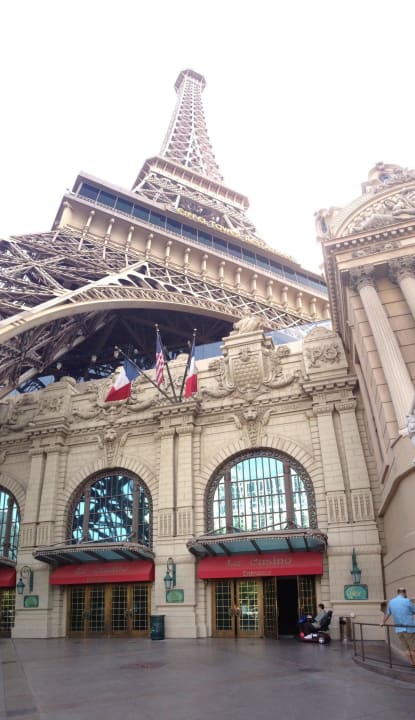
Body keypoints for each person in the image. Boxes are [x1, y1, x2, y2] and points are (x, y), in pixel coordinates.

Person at [381, 588, 415, 667]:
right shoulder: (407, 601)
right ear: (404, 593)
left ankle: (412, 663)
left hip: (399, 629)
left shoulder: (391, 602)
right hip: (409, 628)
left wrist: (382, 622)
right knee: (413, 648)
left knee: (406, 648)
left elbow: (387, 613)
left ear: (398, 593)